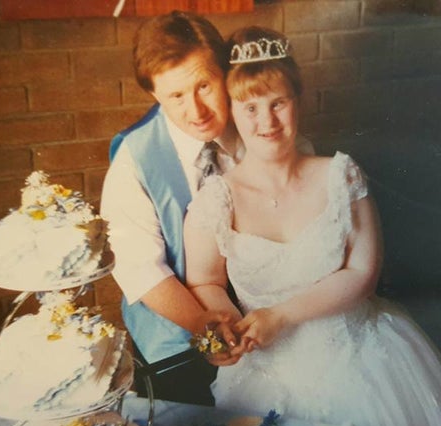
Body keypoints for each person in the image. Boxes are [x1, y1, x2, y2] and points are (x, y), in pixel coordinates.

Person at [183, 26, 441, 426]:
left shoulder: (340, 176)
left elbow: (363, 274)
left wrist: (281, 316)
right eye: (250, 107)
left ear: (298, 101)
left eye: (279, 103)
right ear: (233, 112)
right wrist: (227, 326)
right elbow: (204, 281)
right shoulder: (214, 200)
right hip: (264, 371)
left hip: (361, 360)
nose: (267, 121)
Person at [100, 12, 311, 405]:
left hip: (273, 330)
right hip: (179, 345)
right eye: (175, 96)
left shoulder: (260, 128)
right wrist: (204, 325)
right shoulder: (133, 159)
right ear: (154, 94)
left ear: (224, 73)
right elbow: (140, 268)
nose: (195, 110)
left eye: (204, 86)